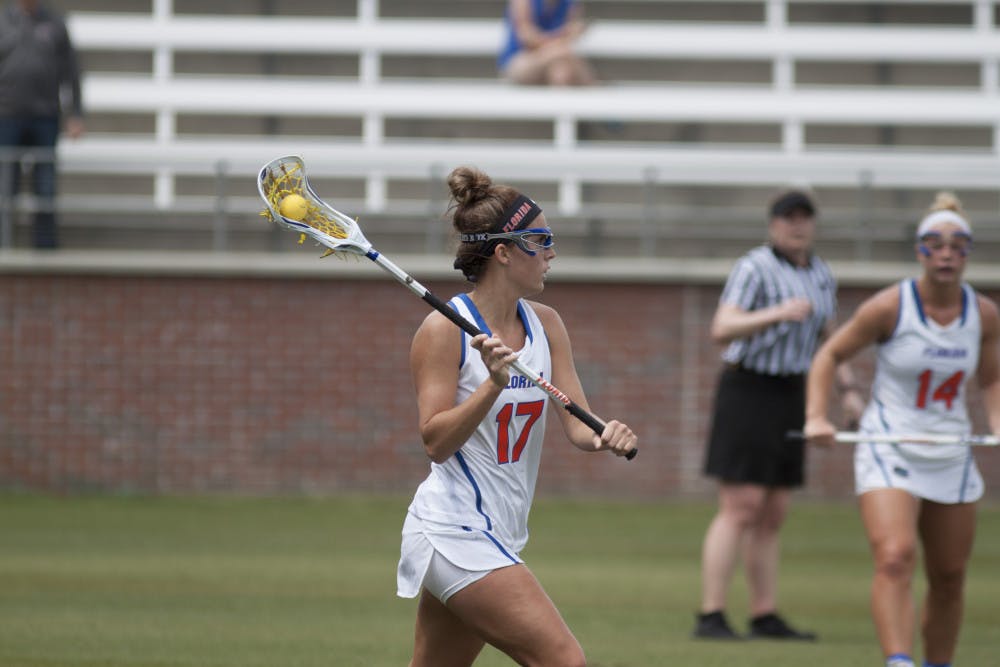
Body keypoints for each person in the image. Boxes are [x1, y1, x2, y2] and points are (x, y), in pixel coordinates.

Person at [396, 165, 637, 666]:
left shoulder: (546, 324)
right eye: (540, 239)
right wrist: (492, 385)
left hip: (501, 529)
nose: (551, 252)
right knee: (563, 659)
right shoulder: (443, 332)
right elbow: (435, 442)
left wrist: (603, 436)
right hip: (453, 529)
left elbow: (576, 421)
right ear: (503, 253)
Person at [803, 192, 1000, 667]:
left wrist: (997, 420)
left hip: (951, 450)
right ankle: (898, 660)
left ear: (969, 251)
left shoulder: (985, 315)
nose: (947, 253)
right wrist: (816, 415)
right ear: (920, 250)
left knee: (950, 575)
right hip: (889, 444)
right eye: (935, 243)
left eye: (958, 244)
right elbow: (830, 355)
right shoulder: (890, 307)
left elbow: (992, 379)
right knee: (894, 555)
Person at [693, 189, 863, 641]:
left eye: (805, 218)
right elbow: (722, 328)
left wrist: (848, 391)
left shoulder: (822, 273)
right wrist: (776, 313)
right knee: (741, 505)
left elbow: (831, 339)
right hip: (749, 386)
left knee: (773, 511)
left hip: (792, 389)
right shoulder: (755, 267)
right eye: (789, 218)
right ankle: (711, 614)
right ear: (773, 224)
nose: (797, 226)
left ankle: (764, 614)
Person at [0, 0, 84, 249]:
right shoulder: (3, 23)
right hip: (6, 117)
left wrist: (76, 113)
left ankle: (45, 250)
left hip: (45, 117)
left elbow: (72, 72)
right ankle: (4, 246)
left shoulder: (55, 24)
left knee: (45, 186)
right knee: (5, 186)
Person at [498, 0, 597, 87]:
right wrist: (561, 37)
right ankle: (592, 86)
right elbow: (527, 38)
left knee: (561, 71)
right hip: (520, 60)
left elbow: (569, 33)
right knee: (563, 53)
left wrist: (572, 33)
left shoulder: (569, 2)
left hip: (553, 58)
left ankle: (561, 105)